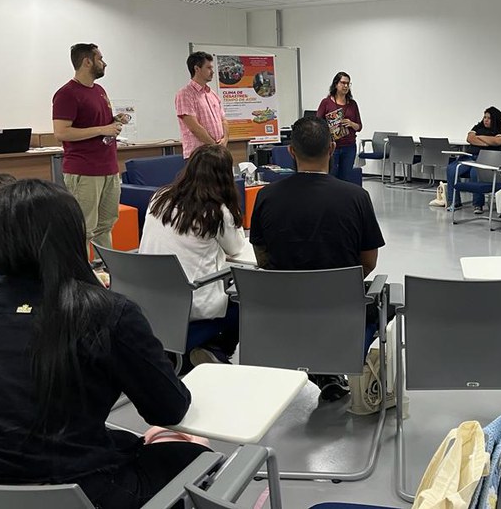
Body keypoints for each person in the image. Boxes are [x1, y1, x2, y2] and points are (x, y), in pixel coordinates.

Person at [0, 179, 207, 508]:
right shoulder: (105, 313)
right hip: (84, 490)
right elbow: (169, 408)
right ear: (73, 236)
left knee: (125, 441)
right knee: (200, 457)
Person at [250, 116, 385, 401]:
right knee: (384, 300)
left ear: (290, 152)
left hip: (281, 314)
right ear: (333, 148)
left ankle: (318, 369)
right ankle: (334, 369)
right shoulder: (357, 197)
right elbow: (369, 262)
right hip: (340, 313)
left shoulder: (266, 196)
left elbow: (262, 257)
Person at [139, 144, 246, 366]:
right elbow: (236, 248)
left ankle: (198, 353)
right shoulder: (217, 211)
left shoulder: (159, 198)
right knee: (243, 301)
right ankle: (214, 351)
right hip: (192, 301)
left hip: (149, 298)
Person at [52, 43, 123, 249]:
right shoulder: (66, 94)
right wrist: (102, 129)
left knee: (106, 224)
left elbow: (101, 123)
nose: (104, 63)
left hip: (109, 168)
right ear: (87, 61)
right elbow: (61, 132)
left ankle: (105, 271)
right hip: (84, 170)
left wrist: (115, 120)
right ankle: (81, 275)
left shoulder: (99, 90)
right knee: (84, 228)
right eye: (100, 58)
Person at [446, 106, 501, 213]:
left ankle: (478, 204)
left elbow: (498, 141)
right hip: (470, 157)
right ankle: (454, 201)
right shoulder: (478, 126)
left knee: (474, 173)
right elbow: (470, 138)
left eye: (489, 118)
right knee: (451, 169)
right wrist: (487, 142)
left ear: (494, 119)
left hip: (486, 160)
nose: (485, 120)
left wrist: (480, 137)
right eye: (484, 117)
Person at [175, 51, 228, 159]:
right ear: (197, 69)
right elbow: (194, 127)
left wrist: (225, 139)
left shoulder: (212, 94)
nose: (212, 72)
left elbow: (224, 120)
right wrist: (214, 145)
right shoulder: (185, 94)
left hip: (218, 152)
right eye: (208, 68)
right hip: (199, 156)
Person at [316, 71, 362, 182]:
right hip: (332, 146)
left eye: (348, 84)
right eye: (343, 83)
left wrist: (351, 124)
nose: (346, 86)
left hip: (349, 147)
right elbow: (317, 123)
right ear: (336, 84)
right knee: (331, 177)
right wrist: (330, 125)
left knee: (345, 178)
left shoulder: (352, 104)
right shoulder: (326, 102)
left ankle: (343, 199)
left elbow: (359, 126)